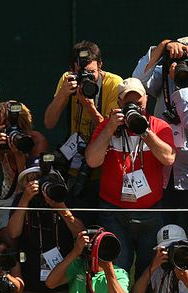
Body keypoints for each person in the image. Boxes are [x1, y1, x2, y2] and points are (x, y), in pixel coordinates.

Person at [132, 36, 188, 240]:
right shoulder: (164, 74)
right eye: (187, 61)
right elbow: (138, 81)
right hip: (162, 166)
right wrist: (161, 48)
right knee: (163, 231)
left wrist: (181, 86)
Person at [86, 78, 175, 281]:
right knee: (118, 266)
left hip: (149, 211)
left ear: (146, 100)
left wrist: (144, 131)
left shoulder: (158, 126)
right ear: (119, 104)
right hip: (114, 211)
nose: (135, 106)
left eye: (139, 102)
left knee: (149, 266)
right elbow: (92, 161)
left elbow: (169, 158)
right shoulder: (107, 127)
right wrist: (109, 129)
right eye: (129, 103)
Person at [44, 41, 123, 225]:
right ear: (73, 69)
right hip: (75, 168)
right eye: (83, 73)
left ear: (101, 66)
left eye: (92, 72)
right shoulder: (67, 80)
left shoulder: (113, 83)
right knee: (76, 226)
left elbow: (111, 130)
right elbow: (49, 122)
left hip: (105, 169)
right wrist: (63, 94)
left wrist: (89, 107)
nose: (88, 77)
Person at [5, 161, 84, 293]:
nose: (39, 185)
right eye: (32, 179)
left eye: (42, 179)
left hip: (60, 287)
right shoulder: (21, 200)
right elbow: (13, 232)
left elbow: (81, 234)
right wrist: (25, 199)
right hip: (30, 285)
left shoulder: (64, 197)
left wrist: (61, 207)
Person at [0, 100, 49, 228]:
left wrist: (19, 154)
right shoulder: (0, 142)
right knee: (7, 238)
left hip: (34, 195)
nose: (11, 131)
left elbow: (30, 185)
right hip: (8, 196)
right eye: (6, 126)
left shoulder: (36, 141)